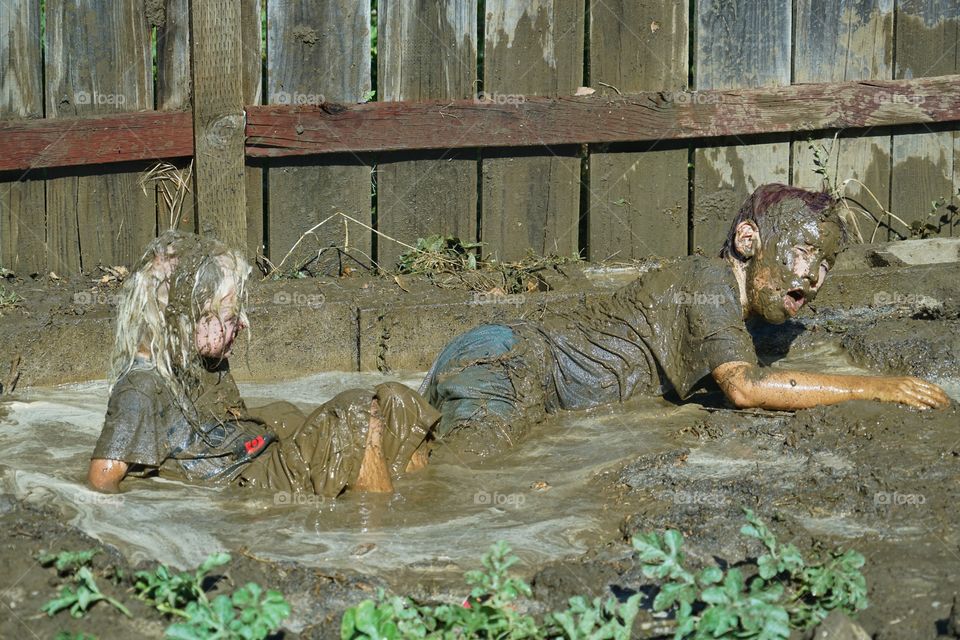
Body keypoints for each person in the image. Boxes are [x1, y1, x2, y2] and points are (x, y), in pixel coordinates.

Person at [420, 184, 951, 459]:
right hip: (512, 357)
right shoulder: (707, 281)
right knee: (464, 470)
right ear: (749, 241)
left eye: (828, 264)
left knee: (429, 454)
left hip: (503, 355)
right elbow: (745, 388)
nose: (815, 276)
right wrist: (876, 387)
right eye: (807, 251)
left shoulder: (734, 308)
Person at [87, 231, 439, 496]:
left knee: (396, 400)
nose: (241, 324)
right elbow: (103, 478)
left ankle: (420, 512)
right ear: (184, 318)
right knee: (358, 412)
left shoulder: (203, 362)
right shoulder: (141, 387)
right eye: (227, 315)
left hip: (262, 459)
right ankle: (381, 532)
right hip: (249, 485)